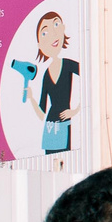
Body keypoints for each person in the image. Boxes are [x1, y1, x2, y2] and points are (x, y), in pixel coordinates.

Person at [34, 10, 80, 154]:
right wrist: (30, 98)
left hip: (64, 122)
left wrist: (75, 111)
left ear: (63, 28)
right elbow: (42, 111)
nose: (53, 35)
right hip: (49, 126)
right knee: (51, 164)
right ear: (40, 45)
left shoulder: (68, 64)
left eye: (56, 24)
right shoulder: (46, 75)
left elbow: (92, 79)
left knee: (64, 158)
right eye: (44, 33)